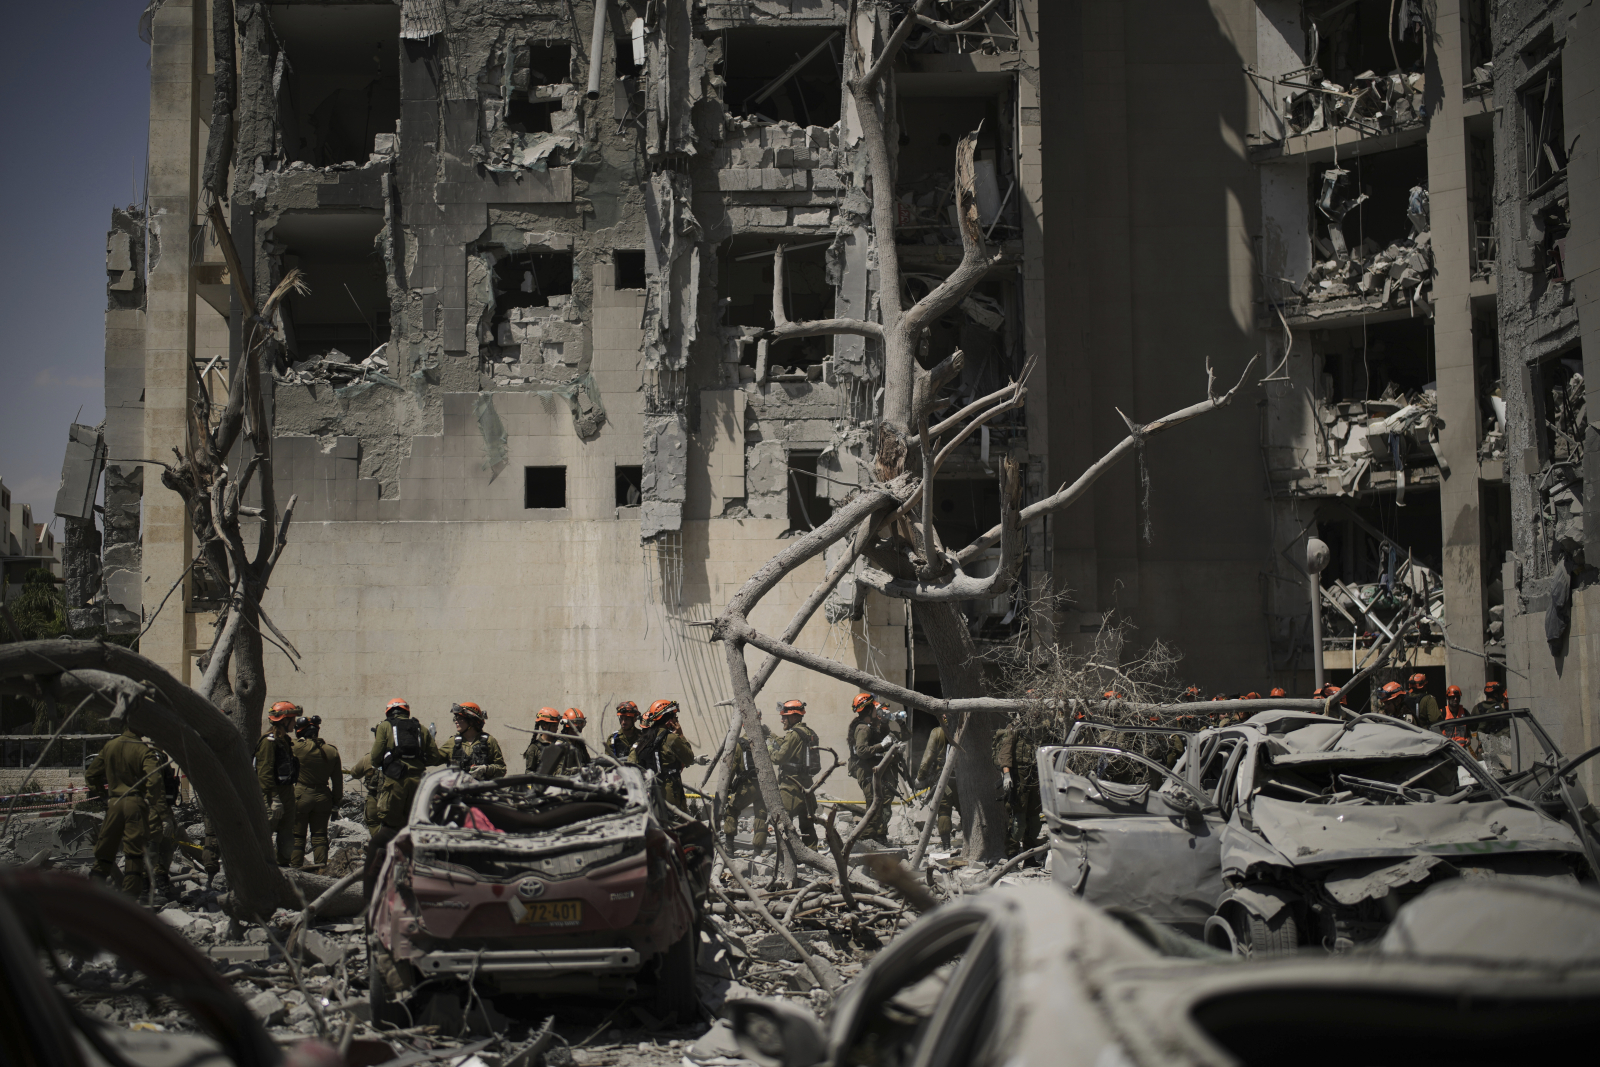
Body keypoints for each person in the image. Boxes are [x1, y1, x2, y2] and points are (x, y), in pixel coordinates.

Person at [365, 698, 443, 898]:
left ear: (389, 712)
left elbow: (374, 758)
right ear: (406, 712)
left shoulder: (385, 727)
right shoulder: (421, 728)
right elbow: (434, 757)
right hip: (419, 786)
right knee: (413, 829)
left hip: (394, 784)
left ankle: (382, 881)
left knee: (390, 829)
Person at [86, 725, 162, 898]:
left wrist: (103, 794)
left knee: (104, 853)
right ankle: (129, 899)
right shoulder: (143, 750)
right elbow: (155, 778)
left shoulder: (110, 746)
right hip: (135, 803)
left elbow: (91, 774)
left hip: (114, 802)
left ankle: (91, 895)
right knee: (134, 855)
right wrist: (151, 799)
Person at [290, 714, 343, 868]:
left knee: (297, 836)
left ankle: (296, 867)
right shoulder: (331, 751)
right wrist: (336, 802)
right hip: (323, 797)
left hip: (301, 795)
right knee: (320, 836)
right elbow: (337, 781)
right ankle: (321, 868)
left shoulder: (297, 747)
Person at [768, 699, 820, 848]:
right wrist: (771, 735)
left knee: (783, 822)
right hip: (806, 785)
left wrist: (769, 747)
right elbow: (787, 743)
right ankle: (812, 855)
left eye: (785, 717)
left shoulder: (793, 734)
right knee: (807, 825)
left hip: (790, 786)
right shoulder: (808, 732)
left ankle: (788, 855)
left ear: (795, 717)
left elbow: (779, 758)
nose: (782, 720)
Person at [848, 692, 898, 843]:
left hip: (869, 770)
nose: (877, 710)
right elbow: (862, 751)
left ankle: (875, 838)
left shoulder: (865, 727)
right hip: (866, 771)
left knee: (877, 805)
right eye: (874, 708)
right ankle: (866, 839)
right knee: (874, 807)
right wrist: (882, 745)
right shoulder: (863, 728)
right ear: (869, 710)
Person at [630, 699, 695, 813]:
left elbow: (631, 763)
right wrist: (680, 735)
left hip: (647, 793)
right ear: (669, 720)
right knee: (677, 822)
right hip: (669, 792)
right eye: (675, 717)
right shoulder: (671, 739)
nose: (676, 720)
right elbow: (689, 758)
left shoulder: (643, 740)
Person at [256, 702, 300, 866]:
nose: (295, 723)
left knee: (287, 835)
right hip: (272, 794)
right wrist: (274, 798)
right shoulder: (269, 742)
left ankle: (284, 867)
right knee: (265, 833)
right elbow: (264, 772)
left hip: (286, 792)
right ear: (284, 720)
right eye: (292, 719)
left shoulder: (284, 740)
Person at [993, 713, 1042, 857]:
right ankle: (1012, 855)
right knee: (1017, 821)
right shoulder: (1014, 729)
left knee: (1034, 822)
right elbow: (1005, 754)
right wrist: (1007, 775)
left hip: (1034, 777)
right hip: (1019, 778)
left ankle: (1029, 856)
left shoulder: (1038, 730)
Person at [723, 724, 769, 851]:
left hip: (746, 787)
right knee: (761, 816)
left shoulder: (740, 744)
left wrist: (727, 790)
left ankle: (729, 847)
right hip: (762, 787)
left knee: (731, 811)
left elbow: (732, 768)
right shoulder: (764, 741)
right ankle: (758, 850)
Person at [916, 722, 959, 851]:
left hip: (943, 777)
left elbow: (928, 757)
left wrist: (920, 777)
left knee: (944, 810)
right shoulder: (963, 729)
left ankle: (946, 845)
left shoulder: (937, 732)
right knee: (965, 809)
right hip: (962, 777)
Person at [440, 702, 506, 780]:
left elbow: (502, 769)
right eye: (456, 718)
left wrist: (486, 769)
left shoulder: (489, 741)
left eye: (460, 718)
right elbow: (434, 759)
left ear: (471, 721)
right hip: (458, 787)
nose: (456, 721)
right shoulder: (452, 742)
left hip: (482, 787)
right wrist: (429, 739)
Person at [523, 707, 563, 772]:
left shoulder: (561, 743)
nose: (557, 728)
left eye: (557, 725)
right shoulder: (534, 748)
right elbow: (529, 772)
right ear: (544, 725)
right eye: (554, 726)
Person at [1440, 685, 1476, 751]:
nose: (1456, 699)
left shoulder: (1464, 712)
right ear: (1448, 698)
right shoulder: (1442, 713)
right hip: (1447, 750)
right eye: (1453, 697)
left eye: (1457, 697)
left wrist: (1468, 736)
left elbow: (1469, 727)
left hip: (1461, 749)